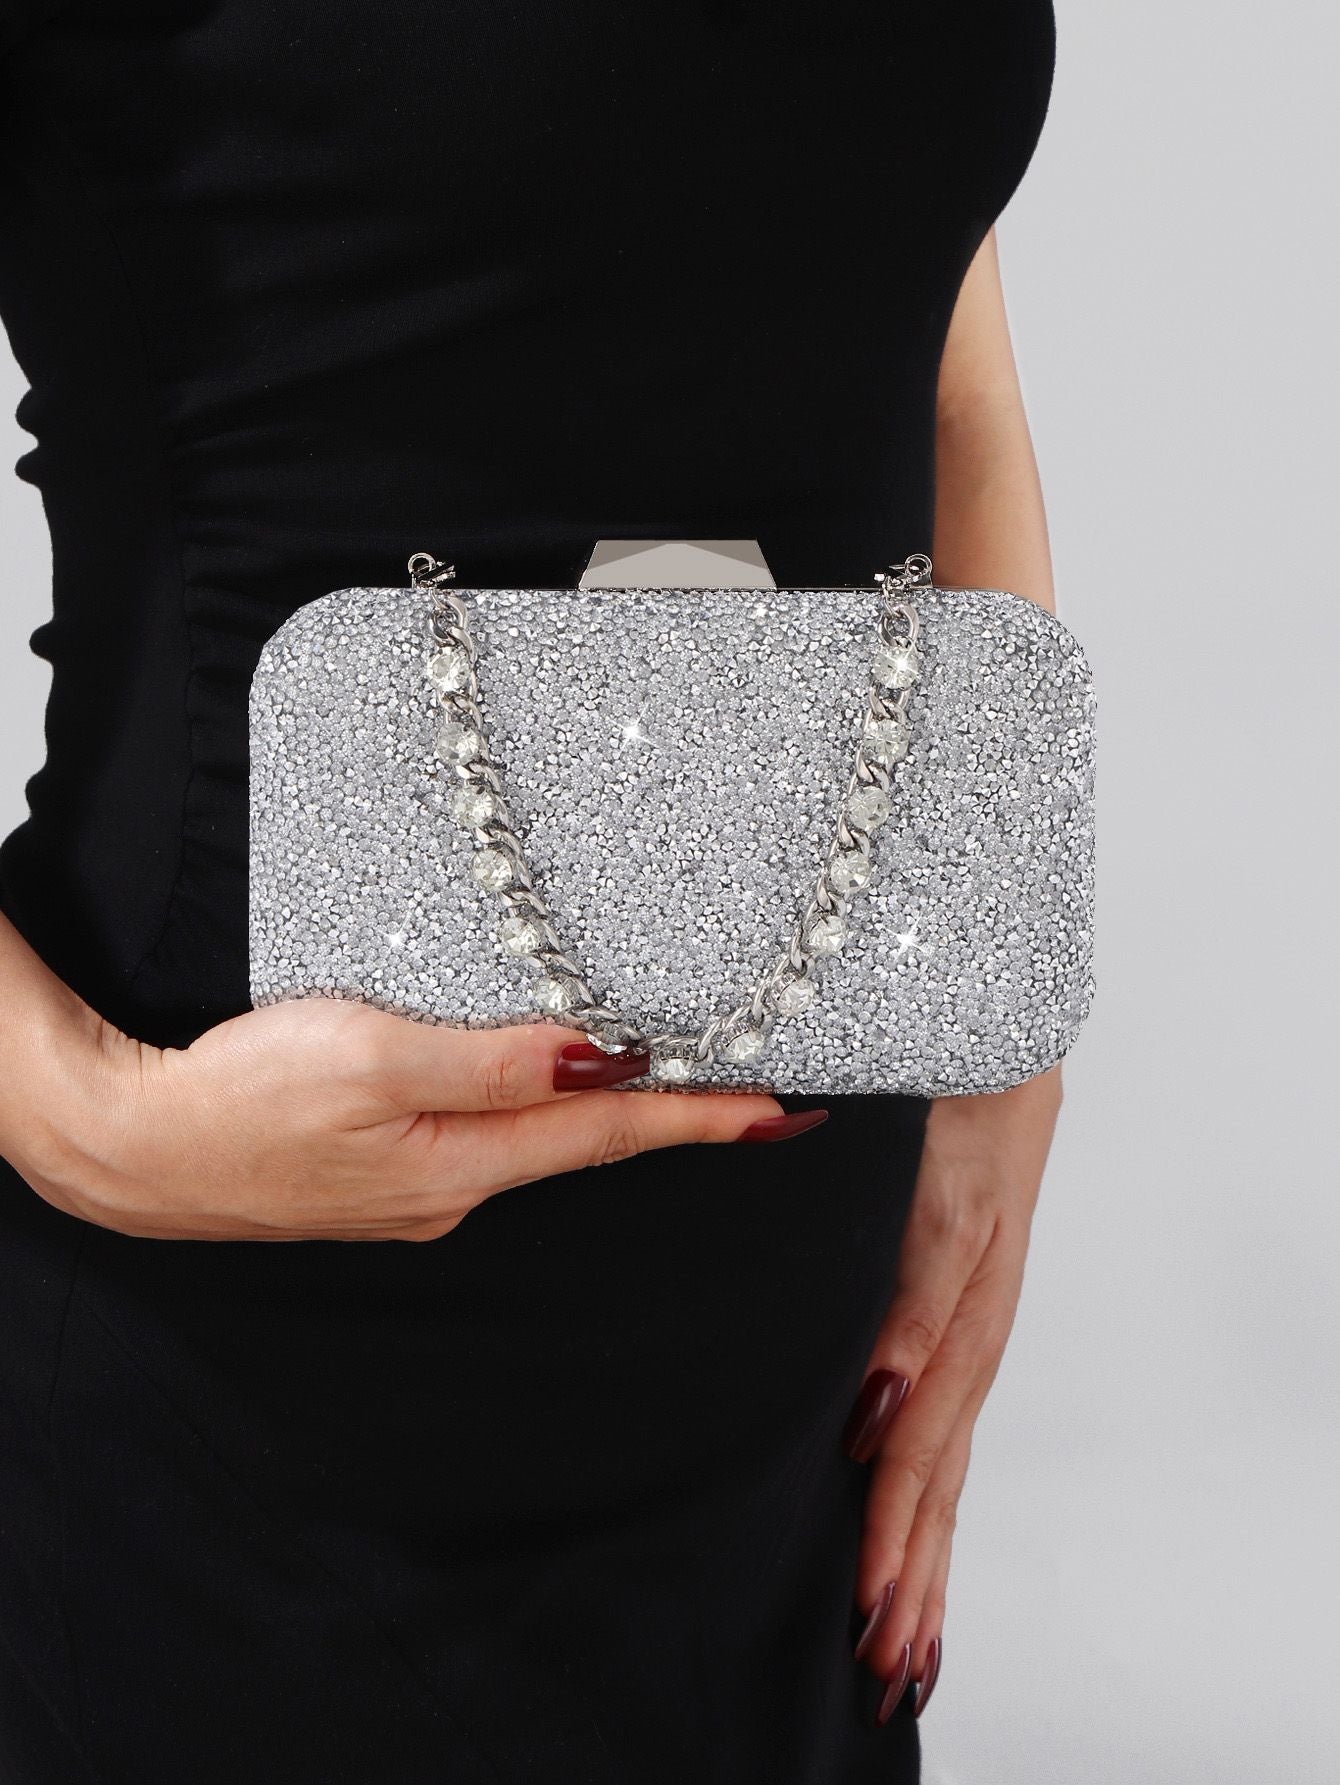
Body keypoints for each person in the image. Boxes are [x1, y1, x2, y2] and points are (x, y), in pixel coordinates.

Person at [0, 4, 1061, 1780]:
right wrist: (89, 1116)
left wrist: (999, 1022)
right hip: (252, 1400)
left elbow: (940, 352)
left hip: (779, 1464)